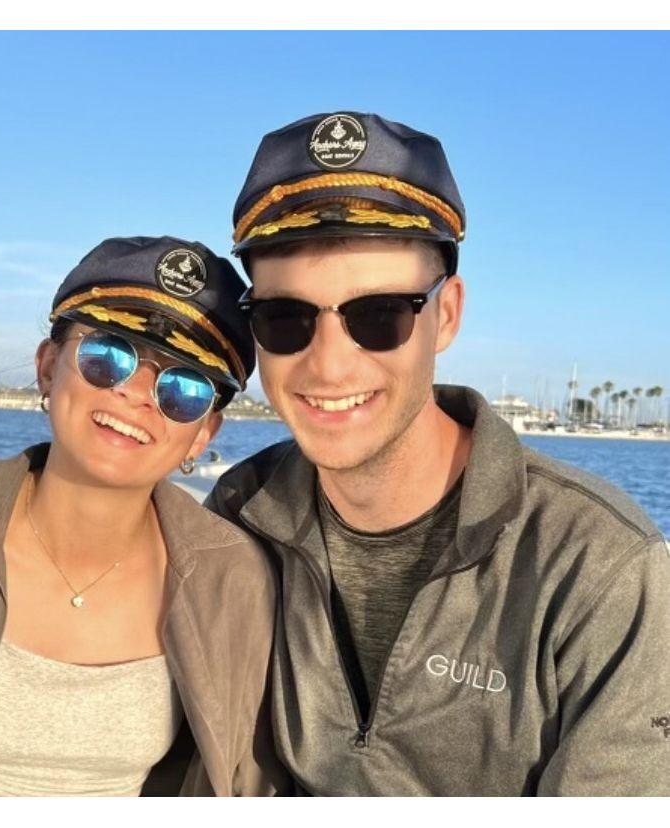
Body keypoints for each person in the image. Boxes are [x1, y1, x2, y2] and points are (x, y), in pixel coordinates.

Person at [206, 112, 670, 795]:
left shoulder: (598, 569)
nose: (329, 366)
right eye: (287, 320)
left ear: (445, 315)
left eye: (379, 316)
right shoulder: (239, 517)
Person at [0, 235, 288, 796]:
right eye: (109, 357)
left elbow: (244, 785)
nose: (139, 394)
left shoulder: (235, 582)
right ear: (49, 367)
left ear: (204, 432)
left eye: (185, 387)